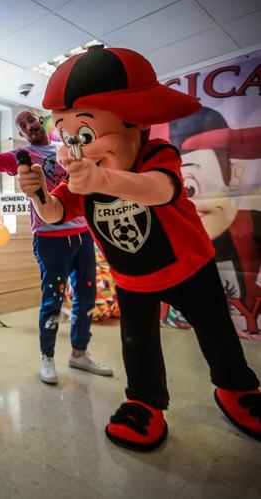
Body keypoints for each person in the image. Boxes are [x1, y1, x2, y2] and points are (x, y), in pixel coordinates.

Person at [18, 45, 260, 450]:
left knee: (216, 332)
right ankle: (145, 402)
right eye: (66, 132)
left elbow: (161, 189)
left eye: (84, 132)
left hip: (189, 265)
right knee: (138, 344)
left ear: (133, 124)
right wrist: (39, 193)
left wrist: (104, 181)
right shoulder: (80, 176)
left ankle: (235, 388)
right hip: (133, 278)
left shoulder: (155, 153)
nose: (74, 145)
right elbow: (57, 213)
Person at [0, 110, 112, 384]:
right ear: (21, 134)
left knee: (86, 299)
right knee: (52, 300)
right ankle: (47, 357)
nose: (28, 125)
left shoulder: (64, 148)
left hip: (82, 234)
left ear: (40, 121)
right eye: (22, 125)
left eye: (30, 119)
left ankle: (79, 354)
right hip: (50, 238)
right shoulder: (21, 157)